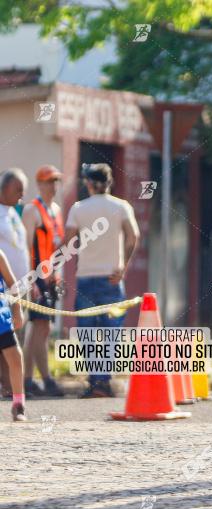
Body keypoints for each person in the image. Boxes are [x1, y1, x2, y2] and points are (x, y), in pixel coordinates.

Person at [64, 163, 140, 398]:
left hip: (86, 276)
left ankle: (94, 382)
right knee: (111, 333)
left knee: (87, 333)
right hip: (112, 279)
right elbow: (133, 236)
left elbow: (68, 242)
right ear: (109, 183)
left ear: (88, 183)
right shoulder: (121, 206)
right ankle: (104, 382)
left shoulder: (78, 208)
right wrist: (123, 267)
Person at [21, 165, 65, 398]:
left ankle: (27, 379)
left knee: (39, 329)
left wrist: (56, 275)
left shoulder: (56, 209)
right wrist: (30, 281)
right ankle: (46, 379)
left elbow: (56, 248)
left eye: (56, 181)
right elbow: (26, 246)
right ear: (39, 184)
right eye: (49, 181)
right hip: (36, 277)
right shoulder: (32, 210)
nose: (53, 186)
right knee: (41, 327)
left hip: (50, 278)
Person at [0, 168, 30, 402]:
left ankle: (13, 391)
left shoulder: (13, 213)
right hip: (6, 290)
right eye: (18, 188)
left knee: (11, 342)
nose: (22, 193)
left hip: (18, 285)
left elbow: (20, 249)